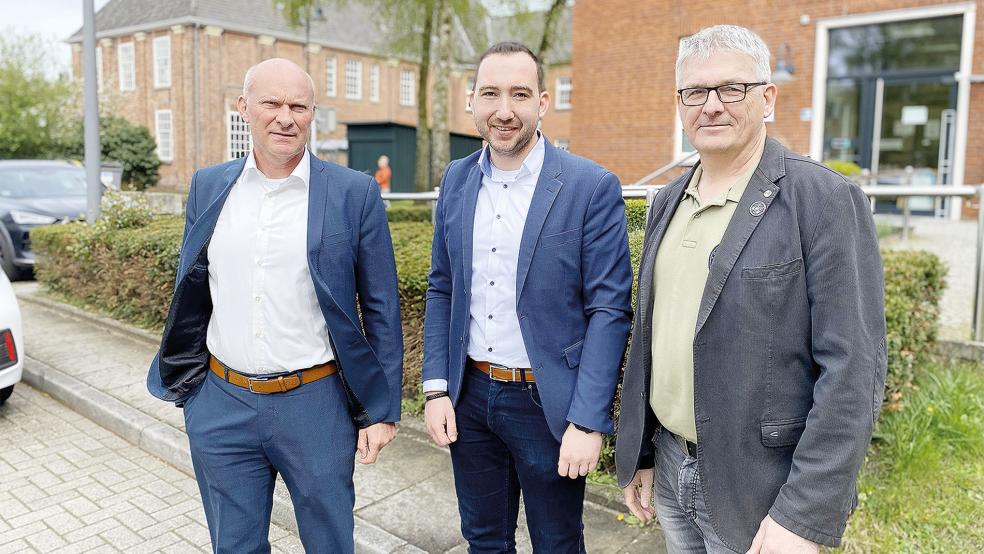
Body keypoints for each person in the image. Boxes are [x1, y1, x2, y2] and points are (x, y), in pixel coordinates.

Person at [615, 25, 886, 554]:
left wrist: (804, 515)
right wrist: (642, 452)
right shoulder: (666, 202)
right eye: (696, 92)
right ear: (680, 102)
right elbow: (653, 338)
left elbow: (854, 370)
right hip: (672, 468)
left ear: (768, 98)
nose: (711, 105)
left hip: (762, 488)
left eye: (731, 89)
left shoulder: (823, 200)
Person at [146, 58, 403, 553]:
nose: (285, 117)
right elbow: (194, 288)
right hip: (221, 403)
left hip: (315, 405)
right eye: (271, 103)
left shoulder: (354, 193)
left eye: (298, 106)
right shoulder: (207, 186)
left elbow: (381, 309)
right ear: (244, 107)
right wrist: (195, 398)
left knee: (330, 543)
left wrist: (382, 410)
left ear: (312, 114)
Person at [421, 41, 633, 552]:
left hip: (547, 405)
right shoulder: (455, 180)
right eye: (490, 94)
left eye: (519, 94)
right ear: (471, 100)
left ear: (542, 102)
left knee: (557, 543)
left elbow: (609, 308)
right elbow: (442, 285)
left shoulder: (590, 186)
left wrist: (587, 419)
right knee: (483, 540)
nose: (504, 110)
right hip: (469, 398)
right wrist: (435, 388)